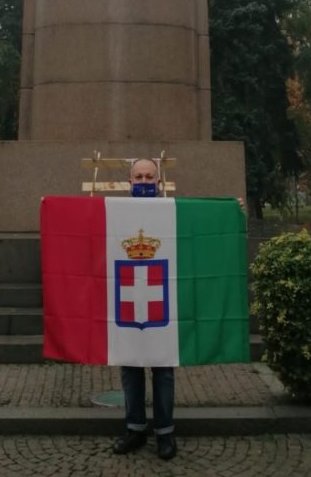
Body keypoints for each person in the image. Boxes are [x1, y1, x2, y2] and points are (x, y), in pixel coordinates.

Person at [112, 157, 177, 461]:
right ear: (129, 182)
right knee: (130, 368)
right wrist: (51, 211)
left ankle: (165, 433)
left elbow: (200, 226)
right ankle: (135, 429)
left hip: (161, 299)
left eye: (149, 177)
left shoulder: (172, 210)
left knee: (163, 369)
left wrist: (233, 210)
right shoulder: (117, 213)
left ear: (159, 182)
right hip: (127, 300)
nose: (143, 182)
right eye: (138, 177)